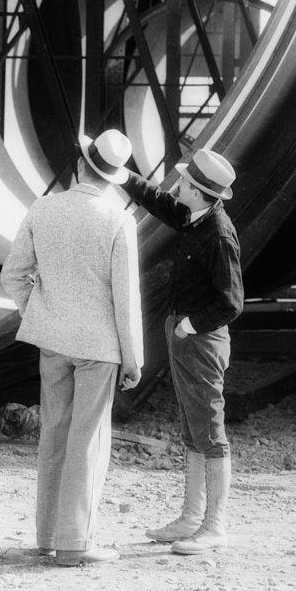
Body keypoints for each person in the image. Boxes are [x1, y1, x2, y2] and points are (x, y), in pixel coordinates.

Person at [0, 127, 144, 566]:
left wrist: (38, 311)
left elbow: (12, 275)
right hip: (99, 347)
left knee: (54, 437)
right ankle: (75, 543)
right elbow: (126, 297)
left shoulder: (44, 209)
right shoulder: (120, 221)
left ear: (82, 165)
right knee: (89, 441)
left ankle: (46, 537)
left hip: (53, 339)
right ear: (114, 178)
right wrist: (134, 358)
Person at [119, 145, 242, 554]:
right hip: (186, 331)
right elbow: (158, 201)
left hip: (201, 337)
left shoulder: (219, 235)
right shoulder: (194, 216)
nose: (179, 185)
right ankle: (192, 518)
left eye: (185, 182)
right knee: (193, 427)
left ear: (198, 192)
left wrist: (188, 326)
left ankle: (214, 525)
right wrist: (123, 174)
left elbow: (231, 302)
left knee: (209, 429)